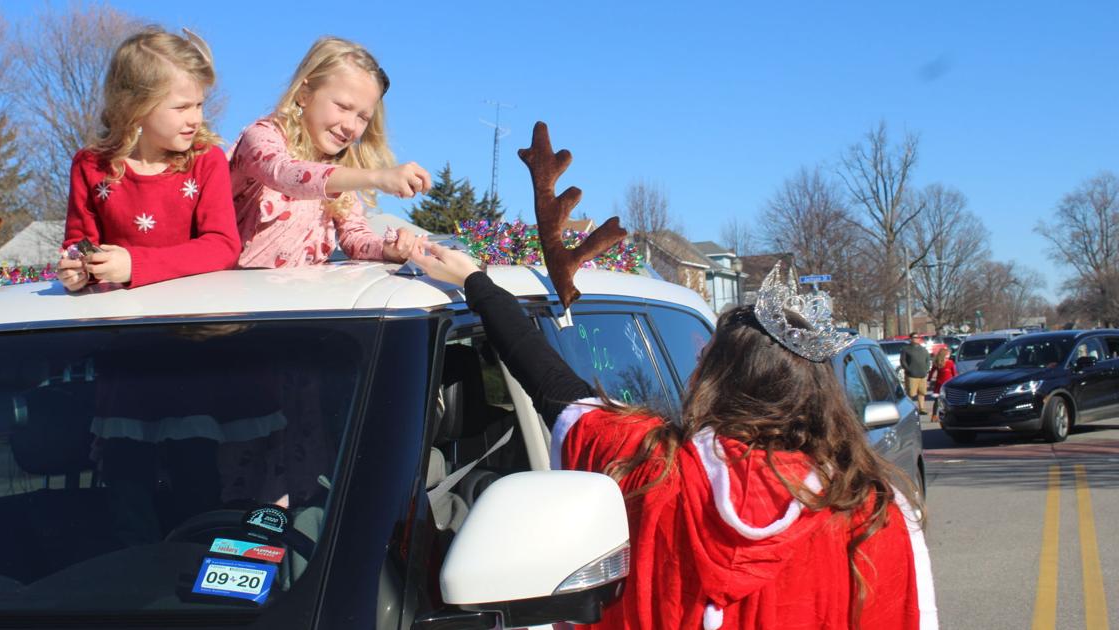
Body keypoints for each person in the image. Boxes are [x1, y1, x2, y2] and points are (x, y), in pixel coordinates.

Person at [411, 244, 937, 630]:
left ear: (715, 379)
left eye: (703, 360)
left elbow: (554, 387)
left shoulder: (653, 467)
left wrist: (477, 283)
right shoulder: (869, 512)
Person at [58, 28, 240, 290]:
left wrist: (135, 265)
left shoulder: (206, 160)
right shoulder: (90, 166)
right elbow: (80, 244)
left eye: (199, 105)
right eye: (182, 107)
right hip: (119, 322)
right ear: (136, 108)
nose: (196, 118)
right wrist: (77, 269)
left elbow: (223, 246)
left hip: (193, 315)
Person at [230, 37, 431, 268]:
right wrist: (377, 177)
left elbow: (354, 235)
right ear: (304, 95)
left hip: (299, 298)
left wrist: (388, 249)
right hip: (231, 297)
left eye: (363, 117)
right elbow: (285, 174)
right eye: (343, 107)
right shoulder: (261, 136)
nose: (350, 125)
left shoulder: (340, 168)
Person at [900, 332, 933, 415]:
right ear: (910, 339)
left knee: (922, 393)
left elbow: (928, 360)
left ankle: (921, 409)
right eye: (914, 337)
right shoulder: (906, 349)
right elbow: (903, 361)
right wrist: (908, 369)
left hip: (922, 375)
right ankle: (910, 409)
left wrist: (926, 369)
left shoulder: (923, 349)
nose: (916, 339)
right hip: (911, 376)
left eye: (918, 337)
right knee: (911, 394)